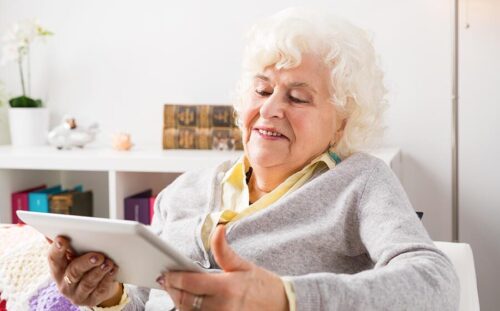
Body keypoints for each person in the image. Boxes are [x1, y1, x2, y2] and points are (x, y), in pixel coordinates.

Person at [47, 7, 459, 311]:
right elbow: (138, 304)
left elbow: (435, 284)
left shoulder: (361, 182)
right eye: (262, 91)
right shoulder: (182, 194)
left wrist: (286, 299)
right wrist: (108, 298)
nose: (271, 109)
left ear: (341, 124)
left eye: (298, 97)